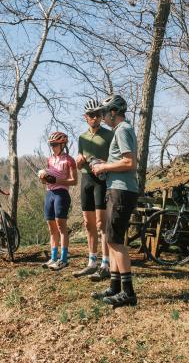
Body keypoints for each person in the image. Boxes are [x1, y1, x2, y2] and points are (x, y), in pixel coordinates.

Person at [90, 94, 139, 307]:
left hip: (122, 191)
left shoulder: (123, 129)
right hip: (116, 189)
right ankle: (115, 287)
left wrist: (103, 167)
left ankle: (128, 293)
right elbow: (121, 160)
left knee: (115, 241)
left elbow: (130, 162)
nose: (101, 117)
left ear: (113, 112)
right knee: (111, 238)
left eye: (104, 113)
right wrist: (105, 163)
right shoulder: (120, 131)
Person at [72, 99, 114, 280]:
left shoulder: (109, 135)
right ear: (85, 117)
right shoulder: (82, 137)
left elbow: (115, 160)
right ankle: (92, 262)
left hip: (102, 181)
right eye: (91, 115)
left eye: (98, 114)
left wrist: (106, 164)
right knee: (88, 224)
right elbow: (80, 158)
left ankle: (106, 264)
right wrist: (78, 160)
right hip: (86, 179)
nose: (95, 118)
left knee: (101, 224)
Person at [40, 131, 78, 271]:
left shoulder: (69, 160)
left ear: (62, 144)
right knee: (51, 227)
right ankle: (53, 257)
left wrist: (57, 180)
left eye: (55, 144)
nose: (52, 147)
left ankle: (63, 259)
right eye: (51, 144)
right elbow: (46, 181)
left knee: (61, 226)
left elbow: (74, 181)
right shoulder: (49, 159)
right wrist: (44, 178)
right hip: (49, 193)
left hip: (61, 193)